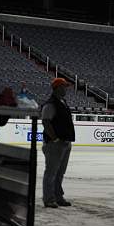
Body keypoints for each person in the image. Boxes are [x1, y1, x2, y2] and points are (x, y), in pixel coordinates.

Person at [41, 78, 75, 208]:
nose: (66, 89)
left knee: (60, 172)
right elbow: (46, 122)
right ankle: (49, 198)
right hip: (55, 144)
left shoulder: (62, 102)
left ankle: (58, 196)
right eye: (64, 86)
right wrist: (55, 139)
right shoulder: (51, 104)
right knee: (51, 172)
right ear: (57, 88)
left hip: (65, 143)